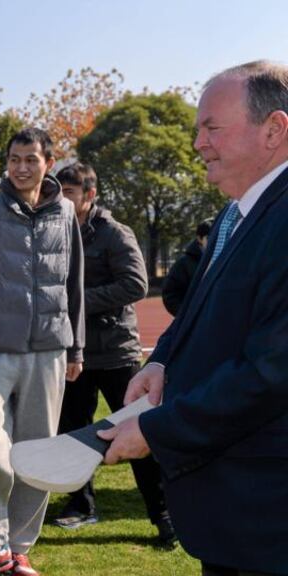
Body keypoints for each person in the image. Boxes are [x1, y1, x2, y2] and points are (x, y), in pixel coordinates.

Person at [101, 61, 288, 576]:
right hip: (236, 511)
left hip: (267, 517)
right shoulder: (234, 214)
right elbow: (199, 310)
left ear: (274, 129)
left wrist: (160, 431)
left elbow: (271, 373)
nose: (198, 143)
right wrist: (162, 361)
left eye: (212, 128)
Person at [0, 128, 84, 576]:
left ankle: (18, 547)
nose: (21, 167)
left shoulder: (65, 213)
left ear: (48, 162)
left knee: (36, 453)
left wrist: (76, 347)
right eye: (14, 159)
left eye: (30, 159)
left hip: (49, 352)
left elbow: (73, 283)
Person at [52, 162, 175, 544]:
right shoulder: (55, 232)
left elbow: (136, 285)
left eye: (69, 194)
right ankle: (80, 505)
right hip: (73, 353)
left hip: (116, 353)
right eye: (59, 193)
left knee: (138, 433)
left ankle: (163, 515)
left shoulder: (115, 234)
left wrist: (77, 303)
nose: (62, 200)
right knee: (72, 432)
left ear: (89, 196)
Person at [161, 219, 212, 316]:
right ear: (199, 239)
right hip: (195, 324)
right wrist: (186, 316)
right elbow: (170, 294)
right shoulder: (184, 264)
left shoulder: (226, 259)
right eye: (209, 237)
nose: (214, 240)